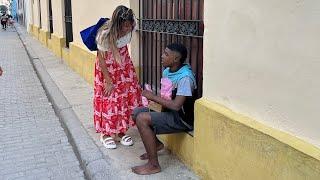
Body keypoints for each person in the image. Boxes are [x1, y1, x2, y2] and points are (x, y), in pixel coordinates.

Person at [132, 43, 197, 175]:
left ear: (176, 59)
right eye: (163, 52)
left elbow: (176, 105)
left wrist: (153, 96)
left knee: (142, 119)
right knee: (137, 112)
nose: (162, 56)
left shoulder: (185, 78)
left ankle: (153, 165)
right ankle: (155, 145)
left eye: (166, 54)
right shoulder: (167, 71)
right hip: (171, 113)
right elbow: (166, 96)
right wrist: (152, 103)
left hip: (182, 119)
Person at [94, 5, 142, 149]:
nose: (128, 29)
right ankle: (105, 133)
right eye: (124, 26)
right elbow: (100, 59)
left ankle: (121, 131)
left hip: (124, 66)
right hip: (107, 68)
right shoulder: (105, 34)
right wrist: (108, 81)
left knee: (124, 98)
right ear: (117, 25)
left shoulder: (132, 25)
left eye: (129, 25)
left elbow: (131, 28)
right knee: (109, 98)